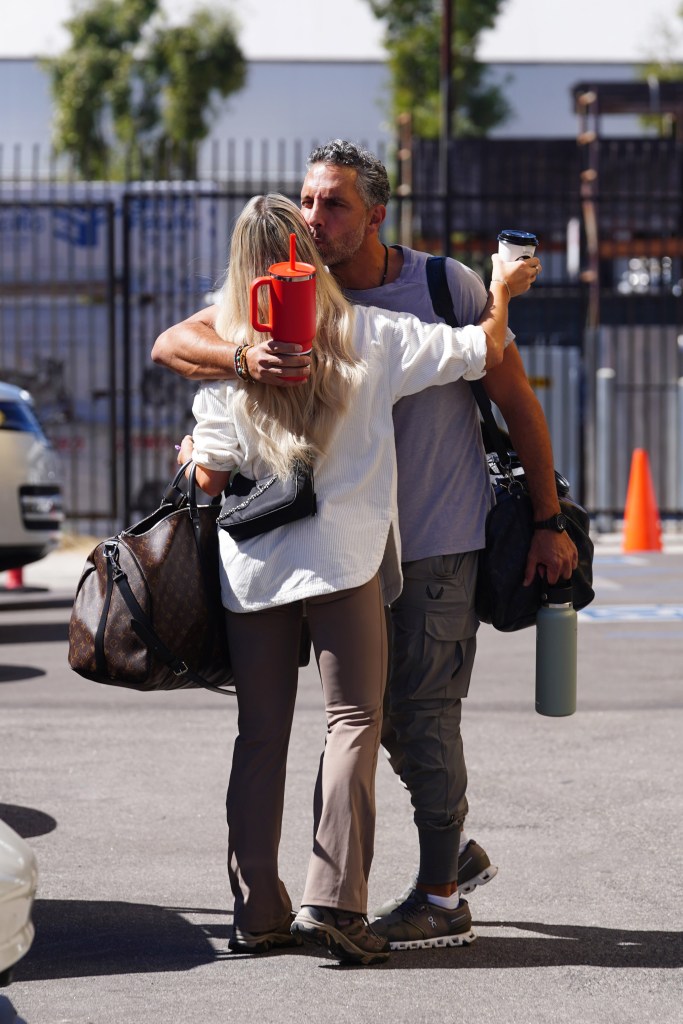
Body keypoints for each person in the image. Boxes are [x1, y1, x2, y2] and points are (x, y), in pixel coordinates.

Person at [153, 141, 577, 952]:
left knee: (318, 729)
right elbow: (484, 349)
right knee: (361, 721)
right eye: (306, 205)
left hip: (331, 558)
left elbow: (206, 473)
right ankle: (355, 896)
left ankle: (294, 907)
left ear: (376, 214)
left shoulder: (400, 296)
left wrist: (548, 517)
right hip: (350, 559)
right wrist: (504, 293)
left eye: (334, 205)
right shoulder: (355, 330)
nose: (315, 221)